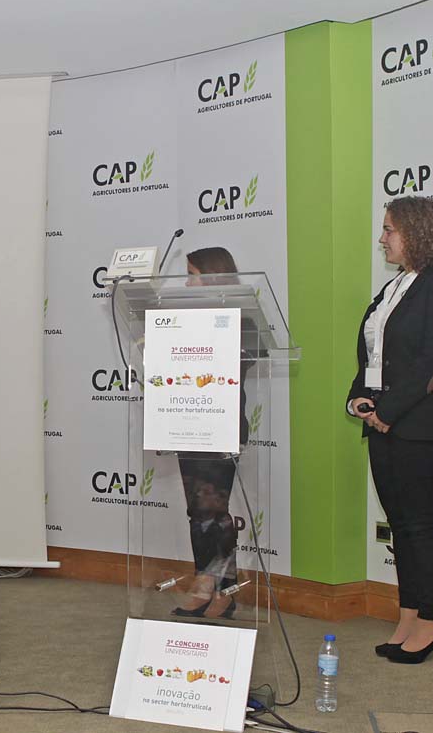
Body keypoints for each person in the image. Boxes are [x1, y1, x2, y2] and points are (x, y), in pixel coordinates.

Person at [346, 196, 433, 664]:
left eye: (389, 229)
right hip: (383, 421)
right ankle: (409, 616)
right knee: (400, 526)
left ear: (417, 232)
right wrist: (359, 398)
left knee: (419, 524)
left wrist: (389, 410)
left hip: (422, 425)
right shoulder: (395, 286)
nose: (382, 239)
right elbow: (373, 356)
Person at [172, 246, 252, 619]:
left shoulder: (242, 320)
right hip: (185, 422)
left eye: (193, 275)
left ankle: (214, 587)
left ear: (215, 275)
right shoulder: (182, 321)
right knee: (199, 511)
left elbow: (241, 362)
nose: (188, 283)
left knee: (212, 510)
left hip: (220, 425)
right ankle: (215, 586)